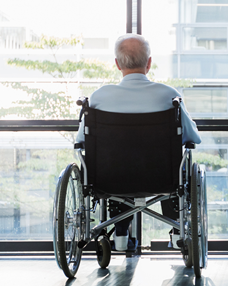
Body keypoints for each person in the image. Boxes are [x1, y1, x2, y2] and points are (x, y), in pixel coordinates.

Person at [75, 33, 201, 252]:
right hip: (162, 180)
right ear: (149, 63)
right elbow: (192, 139)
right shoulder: (169, 96)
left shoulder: (99, 98)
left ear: (117, 64)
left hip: (108, 180)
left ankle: (121, 235)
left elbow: (80, 143)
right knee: (179, 165)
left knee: (116, 166)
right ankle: (178, 231)